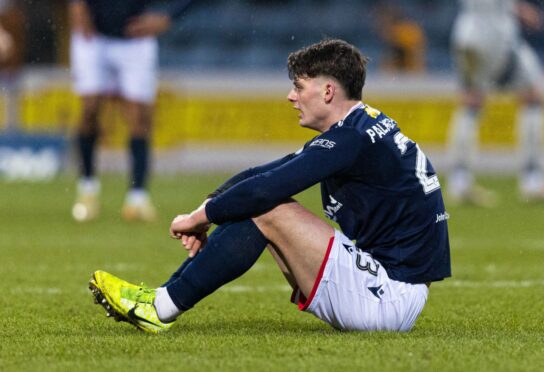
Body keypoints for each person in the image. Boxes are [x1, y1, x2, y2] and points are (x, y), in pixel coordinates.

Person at [88, 39, 451, 334]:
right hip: (389, 285)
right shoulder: (358, 128)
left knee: (269, 207)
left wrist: (202, 216)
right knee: (263, 199)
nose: (291, 97)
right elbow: (262, 174)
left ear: (327, 91)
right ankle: (160, 298)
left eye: (298, 86)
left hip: (389, 296)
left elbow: (263, 191)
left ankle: (160, 306)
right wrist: (209, 205)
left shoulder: (350, 140)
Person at [69, 0, 192, 222]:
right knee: (90, 109)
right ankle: (87, 189)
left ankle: (137, 198)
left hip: (136, 37)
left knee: (139, 118)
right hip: (93, 37)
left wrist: (168, 16)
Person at [448, 0, 544, 205]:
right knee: (532, 95)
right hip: (496, 34)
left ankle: (459, 180)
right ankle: (532, 178)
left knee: (470, 102)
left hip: (465, 32)